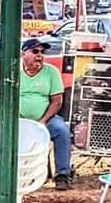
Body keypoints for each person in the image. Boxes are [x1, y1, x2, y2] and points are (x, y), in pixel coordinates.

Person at [19, 38, 72, 189]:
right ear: (23, 54)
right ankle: (22, 173)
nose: (39, 55)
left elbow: (57, 101)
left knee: (62, 131)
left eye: (42, 52)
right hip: (19, 119)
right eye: (35, 51)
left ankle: (62, 175)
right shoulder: (14, 71)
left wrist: (42, 121)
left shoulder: (51, 72)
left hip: (47, 118)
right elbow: (5, 97)